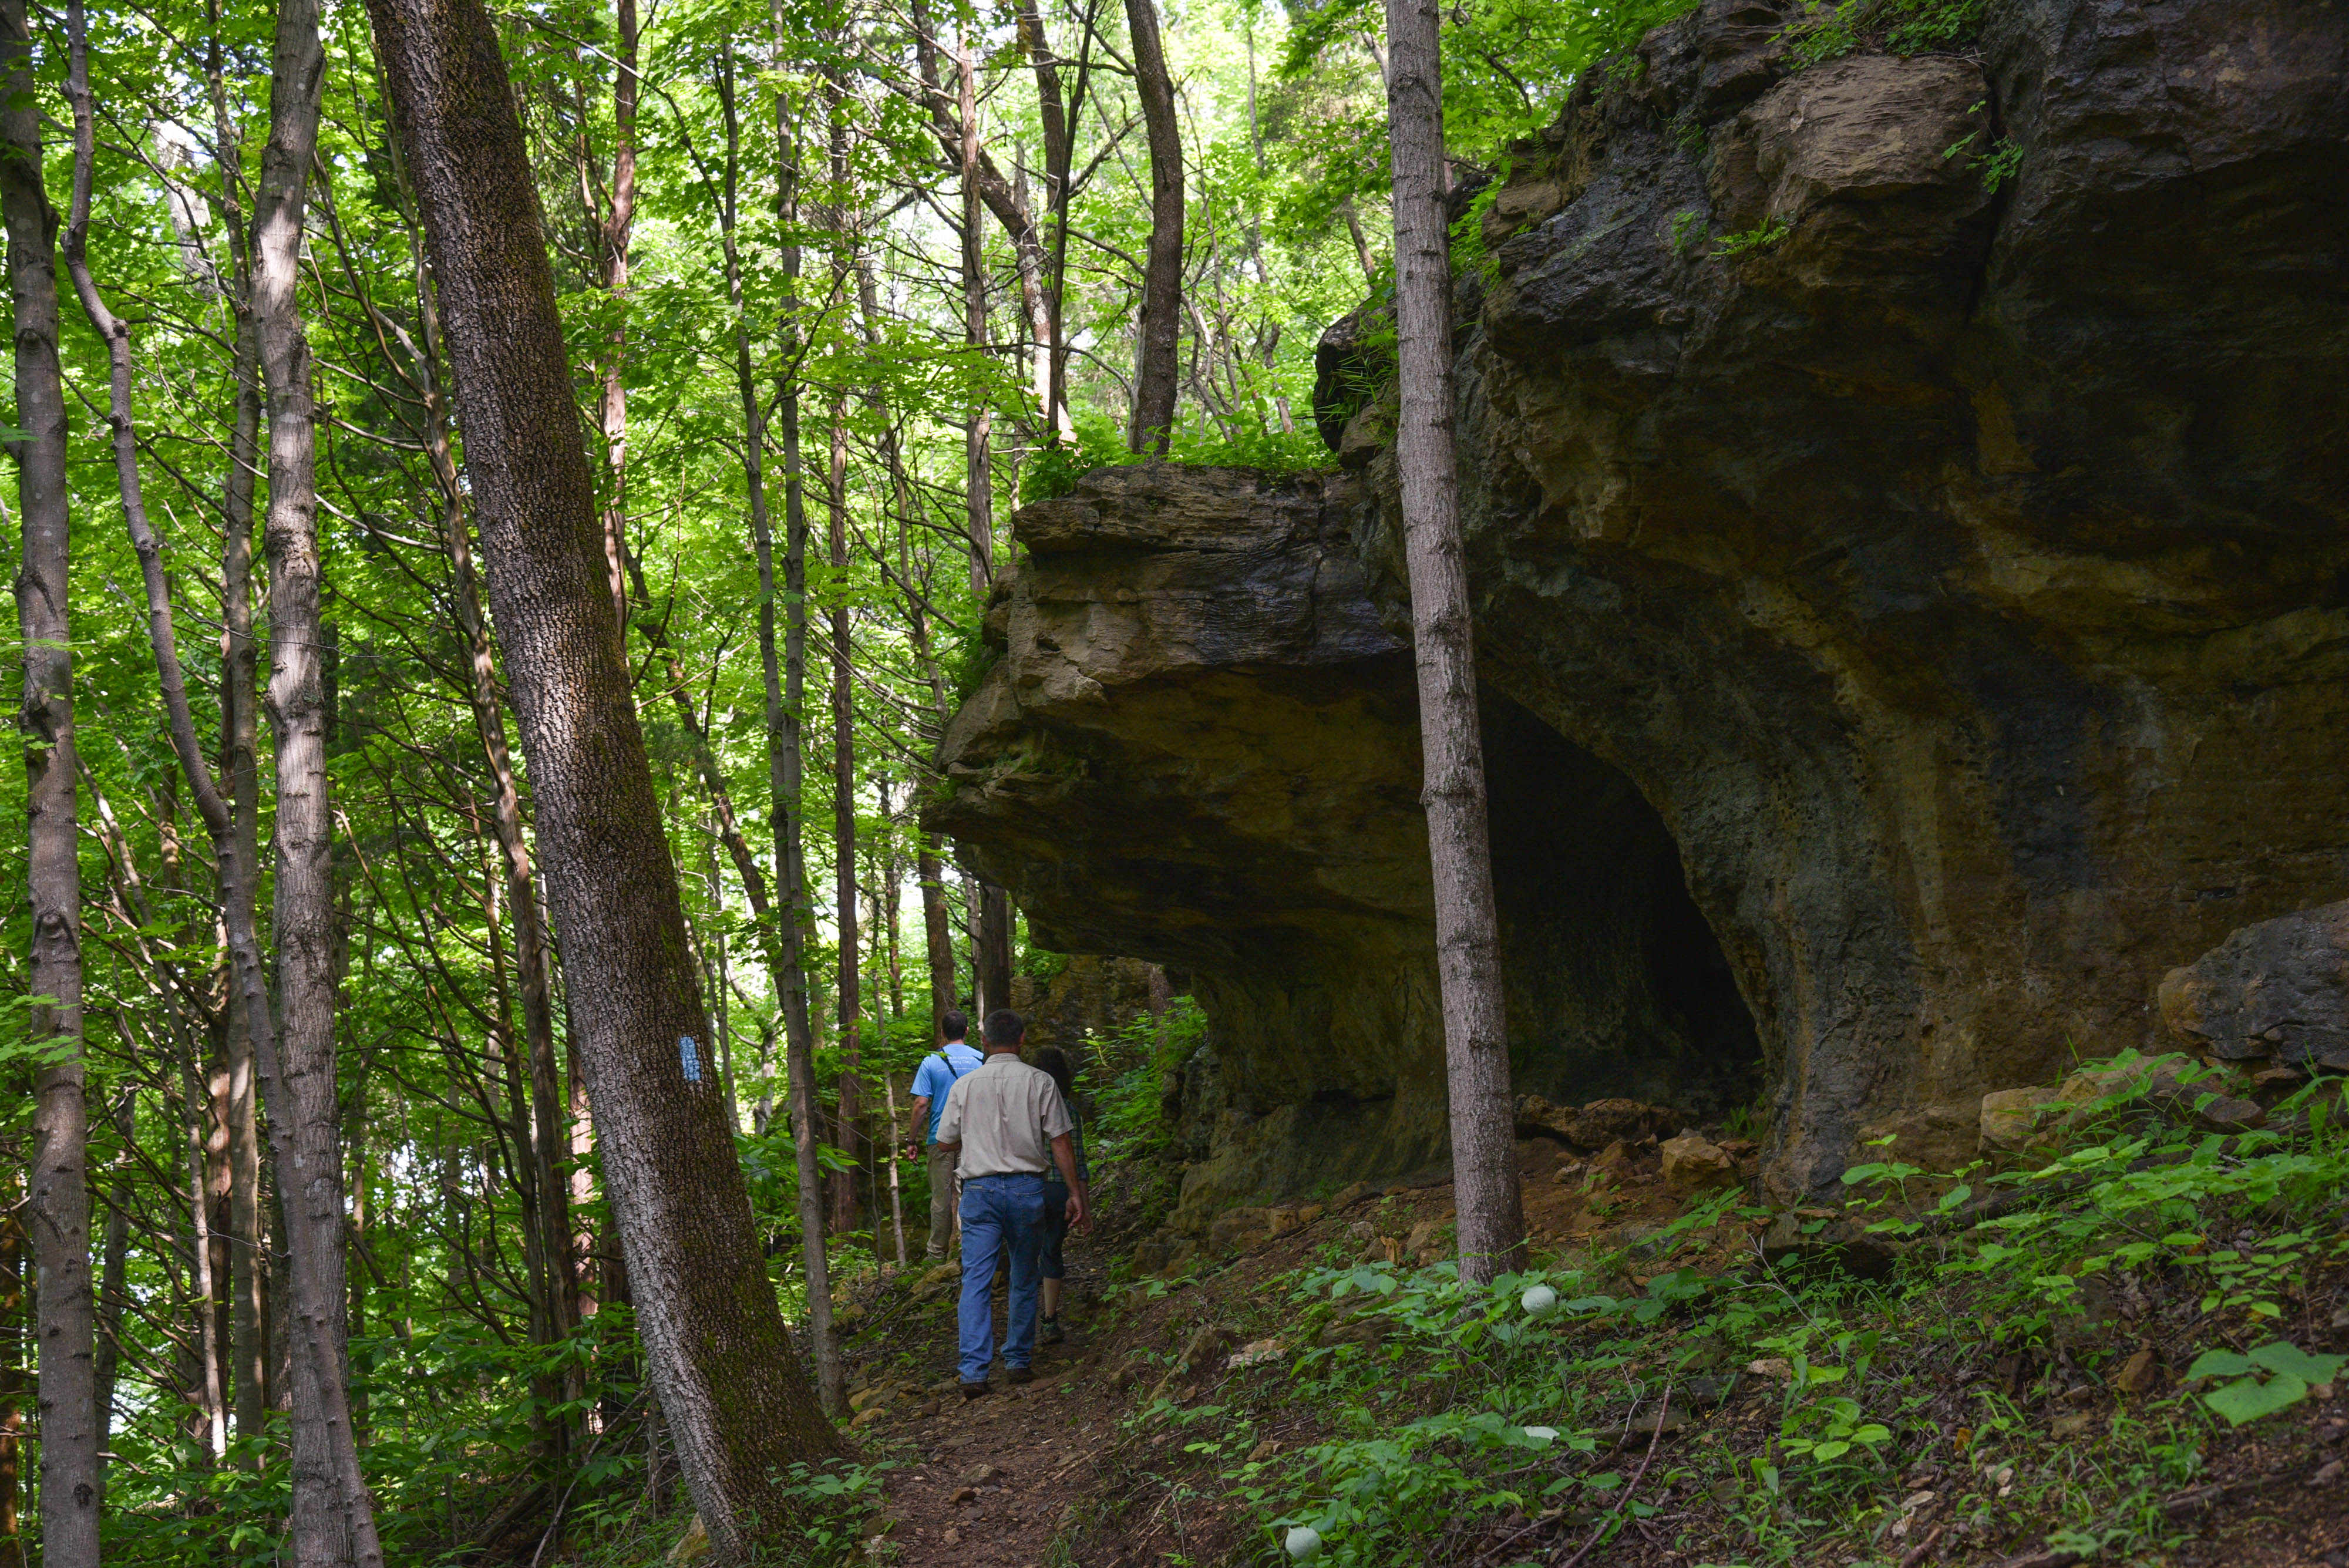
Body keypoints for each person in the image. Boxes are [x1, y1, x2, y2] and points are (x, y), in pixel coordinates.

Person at [934, 1009, 1089, 1397]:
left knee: (976, 1282)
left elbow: (945, 1141)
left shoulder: (965, 1086)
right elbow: (1059, 1141)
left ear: (983, 1042)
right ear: (1022, 1040)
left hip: (980, 1191)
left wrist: (975, 1135)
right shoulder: (1041, 1082)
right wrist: (1073, 1193)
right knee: (1024, 1276)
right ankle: (1018, 1361)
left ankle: (973, 1371)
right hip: (1026, 1190)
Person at [907, 1010, 984, 1262]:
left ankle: (936, 1254)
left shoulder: (931, 1061)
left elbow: (920, 1104)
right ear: (967, 1031)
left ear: (942, 1032)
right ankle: (968, 1250)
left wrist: (911, 1140)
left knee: (941, 1198)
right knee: (969, 1193)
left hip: (940, 1138)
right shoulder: (982, 1060)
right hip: (974, 1138)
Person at [1029, 1046, 1089, 1345]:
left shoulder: (1023, 1108)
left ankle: (1023, 1322)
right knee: (1051, 1250)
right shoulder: (1069, 1109)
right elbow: (1077, 1160)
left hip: (1025, 1187)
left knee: (1025, 1252)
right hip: (1057, 1189)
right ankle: (1049, 1319)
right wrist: (1081, 1202)